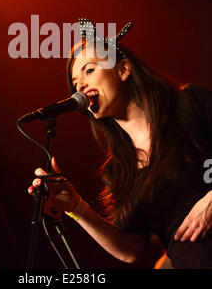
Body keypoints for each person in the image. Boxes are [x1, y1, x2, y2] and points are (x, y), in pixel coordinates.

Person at [28, 19, 212, 269]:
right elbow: (132, 250)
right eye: (75, 82)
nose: (79, 85)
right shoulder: (118, 172)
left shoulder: (188, 105)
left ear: (123, 70)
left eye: (89, 70)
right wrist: (77, 207)